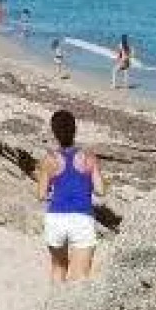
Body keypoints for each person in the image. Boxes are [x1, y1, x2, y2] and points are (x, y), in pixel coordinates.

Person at [36, 110, 104, 283]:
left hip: (56, 218)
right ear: (75, 129)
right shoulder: (89, 157)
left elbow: (41, 195)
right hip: (82, 218)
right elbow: (100, 190)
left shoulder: (49, 160)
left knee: (58, 268)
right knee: (81, 277)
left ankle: (54, 300)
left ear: (54, 133)